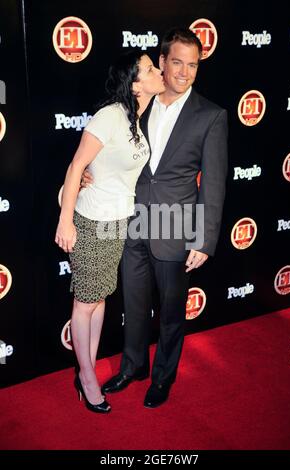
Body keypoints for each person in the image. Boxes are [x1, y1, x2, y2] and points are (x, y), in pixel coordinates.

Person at [84, 27, 228, 408]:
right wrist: (88, 172)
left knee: (170, 311)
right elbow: (111, 149)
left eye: (193, 65)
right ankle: (134, 367)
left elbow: (213, 183)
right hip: (133, 221)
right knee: (132, 303)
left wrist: (204, 238)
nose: (184, 72)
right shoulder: (139, 105)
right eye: (176, 62)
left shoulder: (211, 116)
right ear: (161, 63)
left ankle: (163, 376)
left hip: (175, 228)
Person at [54, 50, 165, 413]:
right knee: (86, 301)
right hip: (91, 221)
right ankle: (86, 377)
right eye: (150, 69)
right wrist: (65, 220)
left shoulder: (134, 119)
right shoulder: (110, 116)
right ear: (135, 84)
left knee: (99, 298)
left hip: (116, 223)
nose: (159, 71)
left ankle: (86, 367)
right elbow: (76, 167)